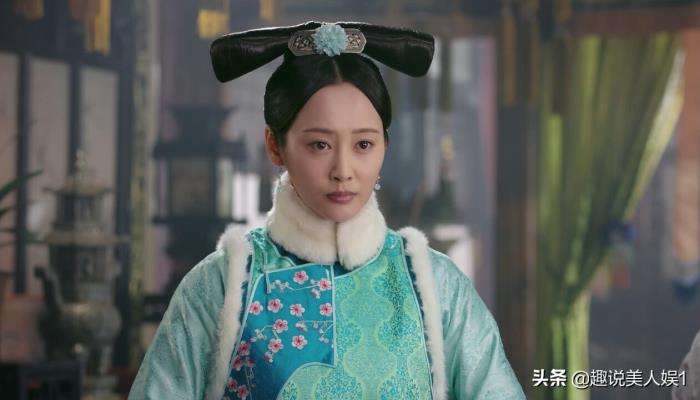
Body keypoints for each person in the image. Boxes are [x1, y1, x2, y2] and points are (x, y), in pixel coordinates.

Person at [129, 21, 525, 400]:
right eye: (320, 145)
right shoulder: (223, 284)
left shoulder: (435, 285)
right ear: (275, 146)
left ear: (384, 146)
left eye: (363, 145)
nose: (343, 170)